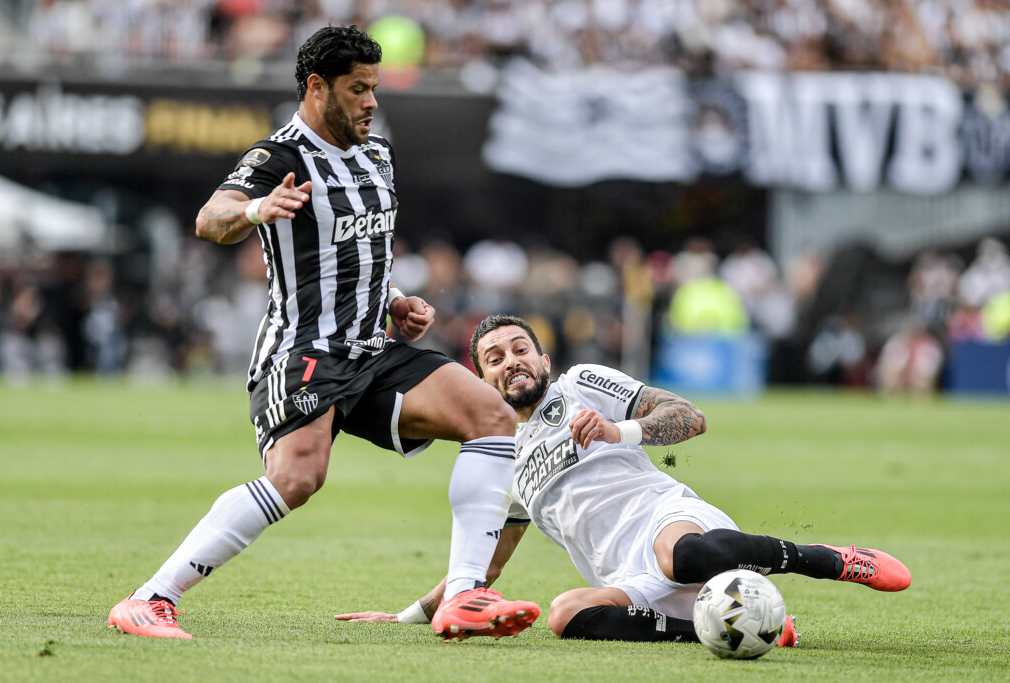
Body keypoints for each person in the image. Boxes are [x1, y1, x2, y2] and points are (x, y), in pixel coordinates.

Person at [107, 27, 538, 642]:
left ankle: (463, 597)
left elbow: (361, 249)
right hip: (304, 349)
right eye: (358, 89)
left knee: (492, 417)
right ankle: (151, 598)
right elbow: (211, 218)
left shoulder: (378, 153)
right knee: (297, 478)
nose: (371, 102)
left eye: (375, 89)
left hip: (371, 347)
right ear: (317, 87)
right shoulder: (278, 157)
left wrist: (393, 302)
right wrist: (256, 210)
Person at [336, 314, 912, 644]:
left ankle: (833, 560)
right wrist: (411, 613)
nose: (510, 360)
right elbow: (484, 567)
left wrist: (622, 432)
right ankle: (715, 629)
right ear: (480, 378)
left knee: (682, 556)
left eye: (520, 349)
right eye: (494, 357)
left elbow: (689, 417)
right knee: (564, 614)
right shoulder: (500, 456)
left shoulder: (582, 383)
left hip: (665, 519)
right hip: (624, 574)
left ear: (543, 361)